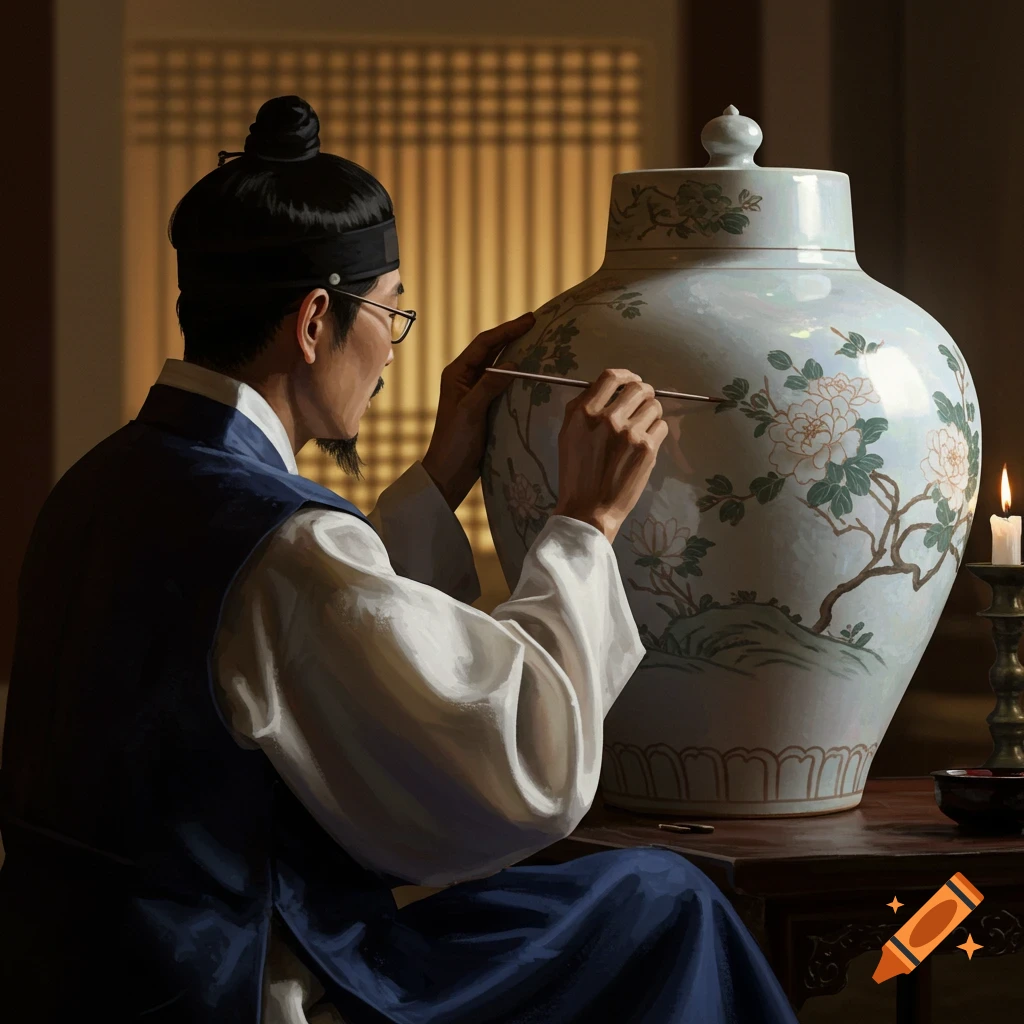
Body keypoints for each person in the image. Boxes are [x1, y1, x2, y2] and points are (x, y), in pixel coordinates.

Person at [0, 96, 798, 1024]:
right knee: (664, 901)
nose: (389, 351)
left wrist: (438, 477)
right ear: (312, 320)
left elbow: (318, 649)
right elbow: (522, 772)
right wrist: (586, 523)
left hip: (75, 974)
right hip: (237, 980)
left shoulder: (105, 479)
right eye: (390, 309)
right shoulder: (288, 544)